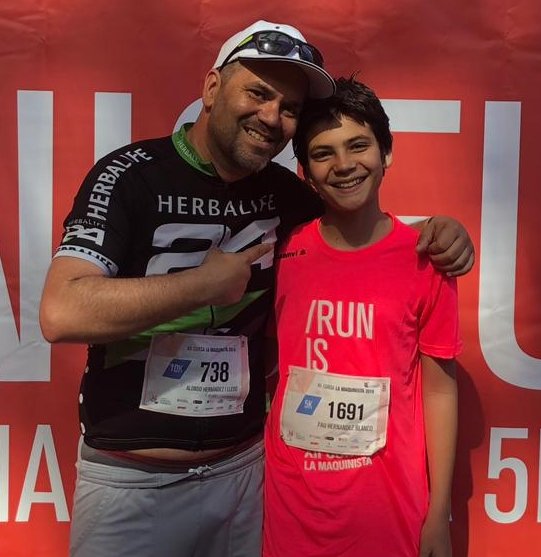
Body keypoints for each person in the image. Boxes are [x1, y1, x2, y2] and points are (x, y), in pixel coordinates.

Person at [39, 20, 471, 557]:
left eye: (288, 108)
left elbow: (358, 226)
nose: (271, 117)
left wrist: (439, 230)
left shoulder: (286, 194)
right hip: (131, 480)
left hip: (242, 477)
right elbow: (61, 312)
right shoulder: (130, 175)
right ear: (212, 88)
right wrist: (201, 286)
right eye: (258, 93)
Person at [263, 76, 461, 557]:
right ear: (306, 173)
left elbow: (439, 390)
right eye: (323, 153)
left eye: (358, 145)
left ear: (385, 153)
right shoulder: (280, 252)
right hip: (289, 506)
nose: (344, 165)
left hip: (387, 510)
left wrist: (438, 512)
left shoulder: (427, 258)